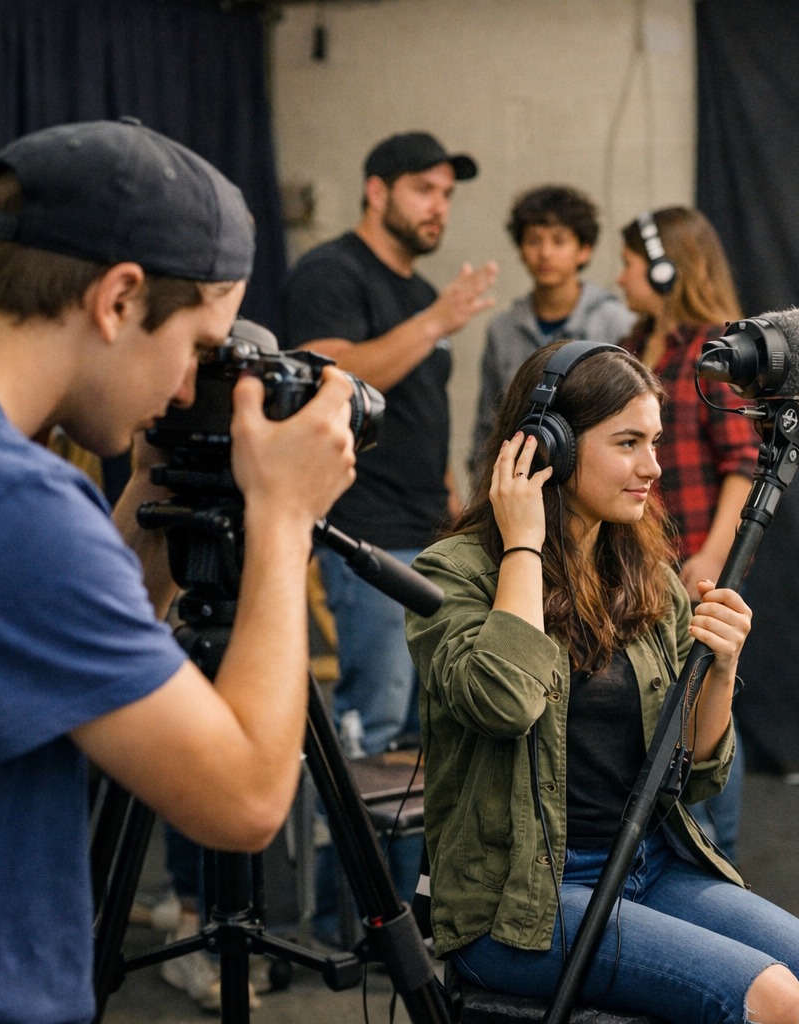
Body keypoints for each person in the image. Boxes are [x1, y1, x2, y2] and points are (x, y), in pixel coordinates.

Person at [0, 119, 356, 1024]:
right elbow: (243, 799)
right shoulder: (7, 499)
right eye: (199, 350)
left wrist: (148, 509)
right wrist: (282, 518)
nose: (193, 394)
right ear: (118, 299)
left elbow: (35, 645)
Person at [404, 341, 799, 1024]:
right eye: (628, 443)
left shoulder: (647, 575)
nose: (651, 467)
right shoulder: (453, 573)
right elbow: (503, 702)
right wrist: (522, 543)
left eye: (654, 441)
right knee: (772, 1000)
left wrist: (720, 670)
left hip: (649, 864)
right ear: (551, 448)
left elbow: (692, 774)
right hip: (518, 905)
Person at [279, 130, 498, 757]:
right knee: (372, 736)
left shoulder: (424, 296)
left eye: (447, 194)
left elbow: (423, 418)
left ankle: (407, 861)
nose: (439, 207)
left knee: (422, 739)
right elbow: (334, 377)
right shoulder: (331, 274)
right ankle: (346, 857)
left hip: (428, 531)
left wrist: (458, 516)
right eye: (424, 190)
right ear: (377, 192)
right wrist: (435, 324)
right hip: (366, 533)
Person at [616, 205, 760, 859]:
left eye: (629, 263)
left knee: (703, 698)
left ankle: (715, 849)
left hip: (692, 564)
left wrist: (708, 557)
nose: (619, 277)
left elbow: (744, 463)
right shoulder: (633, 342)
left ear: (667, 266)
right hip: (638, 567)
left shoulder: (715, 347)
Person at [472, 184, 635, 469]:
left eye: (559, 241)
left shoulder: (616, 322)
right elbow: (489, 424)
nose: (545, 253)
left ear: (583, 251)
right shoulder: (503, 328)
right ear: (521, 249)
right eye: (534, 240)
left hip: (597, 476)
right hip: (520, 479)